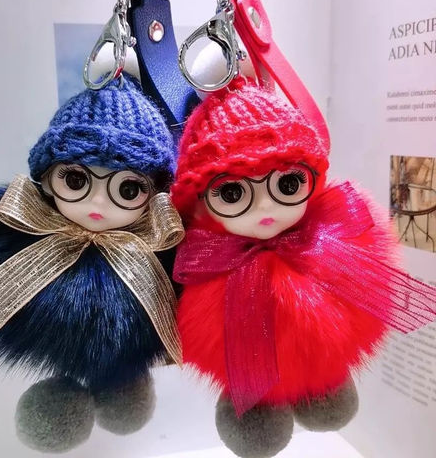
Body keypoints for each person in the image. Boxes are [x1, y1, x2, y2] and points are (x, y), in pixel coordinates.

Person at [172, 77, 436, 458]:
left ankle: (324, 383)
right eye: (232, 192)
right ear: (200, 200)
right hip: (227, 302)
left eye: (288, 183)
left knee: (329, 339)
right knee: (239, 357)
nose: (265, 207)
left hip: (322, 348)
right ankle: (255, 406)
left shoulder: (330, 243)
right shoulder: (204, 256)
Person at [0, 75, 183, 452]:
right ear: (47, 179)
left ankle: (125, 380)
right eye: (76, 180)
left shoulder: (163, 248)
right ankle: (63, 391)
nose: (99, 204)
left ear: (155, 194)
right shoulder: (24, 238)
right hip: (56, 359)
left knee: (128, 375)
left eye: (127, 189)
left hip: (129, 360)